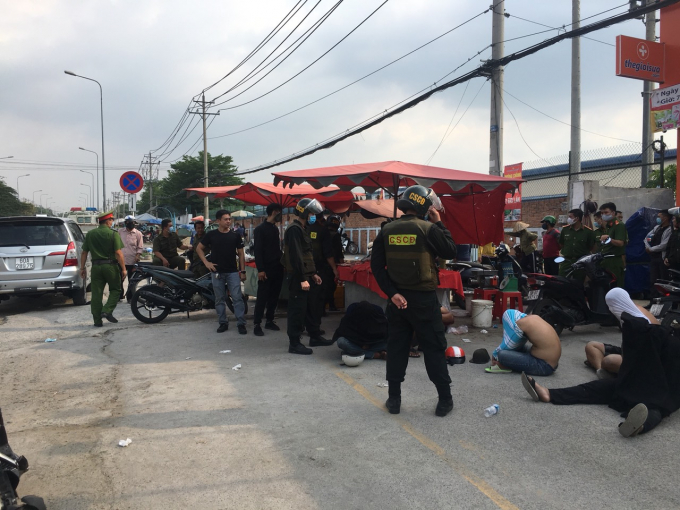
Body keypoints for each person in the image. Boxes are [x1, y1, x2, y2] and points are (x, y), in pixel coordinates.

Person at [371, 185, 457, 417]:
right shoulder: (428, 228)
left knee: (397, 348)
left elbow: (376, 267)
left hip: (397, 302)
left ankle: (394, 400)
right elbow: (450, 251)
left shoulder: (387, 230)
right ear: (424, 206)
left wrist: (392, 293)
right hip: (423, 301)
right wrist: (439, 223)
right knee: (434, 349)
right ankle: (444, 400)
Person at [521, 312, 680, 438]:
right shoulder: (650, 341)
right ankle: (548, 393)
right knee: (596, 388)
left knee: (654, 409)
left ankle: (638, 426)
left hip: (662, 391)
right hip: (634, 381)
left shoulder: (668, 346)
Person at [283, 198, 334, 354]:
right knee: (297, 310)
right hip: (297, 277)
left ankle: (315, 336)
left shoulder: (303, 228)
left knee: (311, 308)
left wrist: (312, 274)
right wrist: (302, 279)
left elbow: (307, 256)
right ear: (304, 213)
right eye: (311, 213)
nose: (313, 216)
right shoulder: (294, 230)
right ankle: (294, 343)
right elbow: (296, 257)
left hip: (306, 276)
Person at [584, 288, 659, 379]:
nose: (610, 309)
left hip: (645, 358)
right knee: (592, 346)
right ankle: (601, 371)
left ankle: (613, 372)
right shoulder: (627, 311)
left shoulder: (639, 320)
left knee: (609, 361)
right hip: (628, 351)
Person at [196, 210, 248, 334]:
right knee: (219, 299)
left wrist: (243, 271)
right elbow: (199, 248)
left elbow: (241, 254)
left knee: (237, 298)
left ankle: (241, 323)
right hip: (217, 272)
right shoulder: (211, 235)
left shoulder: (235, 235)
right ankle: (223, 322)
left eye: (229, 219)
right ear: (218, 221)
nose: (228, 221)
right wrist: (207, 263)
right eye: (225, 219)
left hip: (232, 272)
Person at [79, 211, 126, 327]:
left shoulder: (90, 234)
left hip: (96, 267)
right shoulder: (113, 234)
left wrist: (82, 268)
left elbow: (84, 252)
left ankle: (97, 321)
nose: (112, 222)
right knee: (116, 289)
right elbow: (118, 253)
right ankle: (107, 310)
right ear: (108, 221)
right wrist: (124, 269)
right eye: (111, 220)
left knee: (96, 294)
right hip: (110, 266)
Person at [485, 310, 561, 376]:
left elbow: (509, 344)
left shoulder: (519, 324)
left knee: (502, 354)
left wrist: (495, 354)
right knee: (519, 347)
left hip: (544, 366)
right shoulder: (533, 317)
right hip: (552, 361)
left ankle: (504, 366)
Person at [253, 203, 285, 337]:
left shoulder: (275, 228)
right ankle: (257, 324)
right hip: (266, 269)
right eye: (279, 212)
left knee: (274, 296)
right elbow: (258, 250)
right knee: (262, 297)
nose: (281, 216)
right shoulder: (260, 229)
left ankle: (269, 320)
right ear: (273, 212)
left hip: (277, 267)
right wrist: (261, 269)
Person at [307, 213, 338, 322]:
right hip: (319, 268)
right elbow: (328, 254)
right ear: (321, 218)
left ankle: (306, 322)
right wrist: (334, 269)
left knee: (307, 296)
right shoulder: (323, 231)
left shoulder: (304, 229)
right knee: (318, 296)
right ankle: (315, 324)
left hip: (305, 268)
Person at [558, 208, 596, 280]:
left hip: (580, 262)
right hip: (567, 261)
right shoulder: (565, 230)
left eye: (570, 217)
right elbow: (561, 244)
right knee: (561, 280)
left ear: (577, 218)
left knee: (579, 281)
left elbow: (591, 247)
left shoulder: (588, 232)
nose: (568, 219)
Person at [598, 202, 628, 288]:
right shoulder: (608, 226)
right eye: (602, 213)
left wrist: (608, 239)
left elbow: (620, 243)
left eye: (606, 212)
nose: (603, 215)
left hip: (614, 260)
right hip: (605, 259)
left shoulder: (619, 225)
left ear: (613, 213)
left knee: (615, 286)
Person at [645, 209, 672, 295]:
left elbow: (664, 245)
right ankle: (653, 299)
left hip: (662, 259)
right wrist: (647, 247)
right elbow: (646, 238)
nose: (657, 218)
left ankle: (663, 300)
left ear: (665, 218)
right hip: (654, 258)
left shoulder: (670, 230)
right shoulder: (657, 228)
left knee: (663, 280)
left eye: (659, 217)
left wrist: (651, 249)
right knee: (653, 280)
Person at [118, 215, 144, 301]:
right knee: (119, 279)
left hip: (132, 261)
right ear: (126, 223)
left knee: (131, 280)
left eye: (133, 222)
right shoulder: (120, 232)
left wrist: (137, 256)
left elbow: (140, 247)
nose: (131, 224)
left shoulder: (138, 233)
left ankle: (130, 297)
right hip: (121, 260)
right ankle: (119, 295)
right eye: (129, 222)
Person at [326, 214, 345, 311]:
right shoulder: (336, 235)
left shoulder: (323, 233)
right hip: (332, 264)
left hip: (322, 263)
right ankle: (331, 305)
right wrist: (342, 263)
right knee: (331, 285)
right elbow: (338, 251)